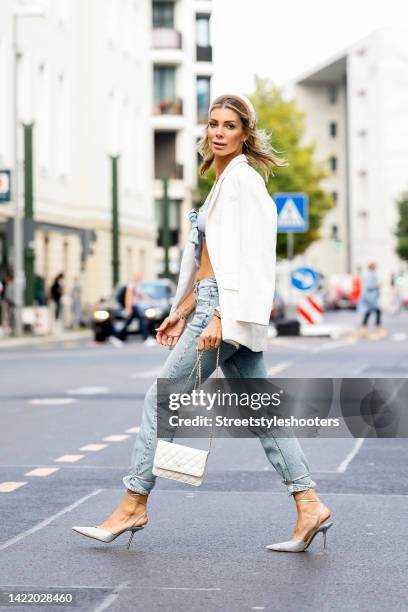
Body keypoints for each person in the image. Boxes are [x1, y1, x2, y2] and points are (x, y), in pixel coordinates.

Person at [72, 93, 333, 553]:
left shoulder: (243, 182)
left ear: (245, 134)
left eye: (229, 125)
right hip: (219, 304)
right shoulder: (223, 182)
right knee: (261, 409)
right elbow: (212, 262)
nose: (218, 132)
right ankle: (308, 503)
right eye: (213, 123)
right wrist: (181, 309)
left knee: (162, 398)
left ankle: (134, 502)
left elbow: (249, 261)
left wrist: (217, 317)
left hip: (227, 309)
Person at [111, 272, 157, 346]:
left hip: (135, 306)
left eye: (140, 276)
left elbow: (143, 295)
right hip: (132, 307)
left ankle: (117, 337)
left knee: (128, 322)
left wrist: (153, 303)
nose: (139, 278)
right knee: (142, 320)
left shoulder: (137, 285)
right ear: (134, 277)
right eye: (137, 276)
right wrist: (128, 308)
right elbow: (128, 297)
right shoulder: (131, 285)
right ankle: (146, 338)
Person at [358, 262, 387, 338]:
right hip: (370, 297)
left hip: (370, 297)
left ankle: (364, 330)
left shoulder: (369, 275)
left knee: (368, 312)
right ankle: (378, 328)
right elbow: (369, 286)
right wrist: (378, 285)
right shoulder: (370, 275)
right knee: (377, 311)